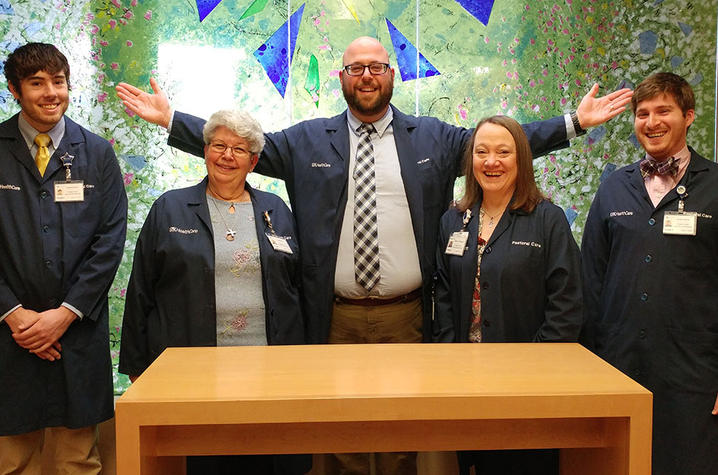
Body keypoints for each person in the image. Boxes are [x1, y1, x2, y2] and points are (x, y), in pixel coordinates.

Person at [116, 36, 629, 475]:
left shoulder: (432, 136)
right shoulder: (307, 139)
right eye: (356, 68)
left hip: (407, 315)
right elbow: (239, 147)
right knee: (340, 436)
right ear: (342, 76)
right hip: (333, 316)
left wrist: (572, 124)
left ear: (392, 75)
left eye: (377, 67)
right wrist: (172, 122)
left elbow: (499, 144)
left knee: (400, 435)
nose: (367, 76)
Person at [119, 109, 310, 475]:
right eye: (219, 145)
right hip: (195, 368)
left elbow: (297, 286)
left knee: (270, 458)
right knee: (208, 457)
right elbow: (141, 289)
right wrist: (137, 366)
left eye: (239, 149)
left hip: (269, 367)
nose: (227, 156)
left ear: (254, 161)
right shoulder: (170, 208)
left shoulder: (276, 210)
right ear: (205, 151)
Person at [581, 72, 718, 475]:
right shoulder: (613, 188)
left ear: (688, 116)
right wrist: (589, 365)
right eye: (642, 113)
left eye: (664, 111)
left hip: (693, 372)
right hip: (618, 366)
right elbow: (591, 280)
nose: (652, 122)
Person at [0, 43, 127, 473]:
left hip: (76, 331)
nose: (51, 92)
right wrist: (13, 313)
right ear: (15, 90)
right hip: (8, 333)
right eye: (37, 83)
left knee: (78, 459)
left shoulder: (97, 153)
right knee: (12, 458)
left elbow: (110, 241)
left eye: (59, 82)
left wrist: (65, 314)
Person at [434, 115, 582, 474]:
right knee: (474, 460)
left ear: (521, 159)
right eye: (481, 152)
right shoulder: (454, 220)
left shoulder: (548, 220)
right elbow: (443, 295)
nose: (491, 161)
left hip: (529, 384)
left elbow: (566, 305)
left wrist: (533, 366)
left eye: (503, 152)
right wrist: (447, 360)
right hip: (465, 381)